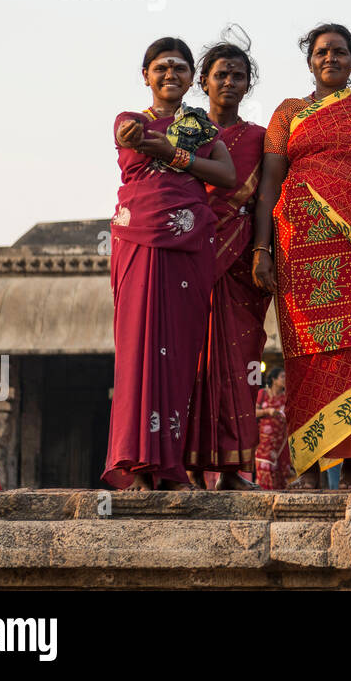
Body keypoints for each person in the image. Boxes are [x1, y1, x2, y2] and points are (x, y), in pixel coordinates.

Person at [253, 24, 351, 490]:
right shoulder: (288, 113)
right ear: (310, 62)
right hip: (299, 249)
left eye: (340, 52)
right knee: (309, 357)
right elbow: (270, 183)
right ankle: (307, 469)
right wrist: (261, 248)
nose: (331, 58)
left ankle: (348, 471)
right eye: (322, 52)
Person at [106, 37, 237, 491]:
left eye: (180, 68)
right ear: (146, 75)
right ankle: (136, 463)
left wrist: (176, 154)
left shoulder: (200, 128)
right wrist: (160, 148)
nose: (171, 75)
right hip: (138, 242)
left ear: (190, 79)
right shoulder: (130, 120)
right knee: (137, 352)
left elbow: (227, 175)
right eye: (161, 67)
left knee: (178, 356)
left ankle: (170, 466)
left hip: (189, 245)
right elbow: (132, 139)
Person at [185, 38, 272, 490]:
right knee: (192, 363)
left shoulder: (261, 137)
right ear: (204, 82)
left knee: (241, 363)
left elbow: (265, 202)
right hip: (192, 257)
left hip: (240, 264)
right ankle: (192, 470)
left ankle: (237, 469)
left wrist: (261, 252)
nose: (230, 82)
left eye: (239, 75)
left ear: (248, 82)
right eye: (221, 74)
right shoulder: (184, 131)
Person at [254, 367, 294, 489]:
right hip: (264, 440)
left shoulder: (286, 396)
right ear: (274, 379)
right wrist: (268, 411)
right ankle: (262, 499)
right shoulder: (263, 394)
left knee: (280, 471)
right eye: (282, 376)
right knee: (265, 467)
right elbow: (253, 412)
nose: (285, 379)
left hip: (281, 441)